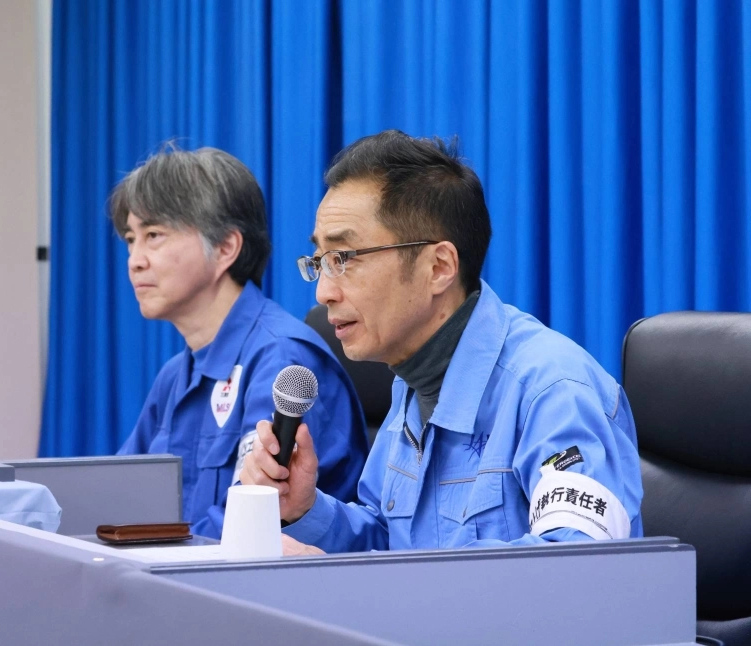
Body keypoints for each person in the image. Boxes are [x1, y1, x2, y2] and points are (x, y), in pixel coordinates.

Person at [240, 131, 643, 554]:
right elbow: (391, 544)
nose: (323, 292)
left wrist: (368, 587)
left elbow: (575, 565)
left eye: (344, 258)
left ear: (438, 267)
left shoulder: (554, 391)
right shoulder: (413, 383)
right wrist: (306, 509)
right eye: (320, 261)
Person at [111, 145, 369, 539]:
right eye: (131, 239)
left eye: (154, 235)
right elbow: (120, 495)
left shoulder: (281, 358)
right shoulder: (174, 375)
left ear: (226, 248)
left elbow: (252, 524)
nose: (135, 259)